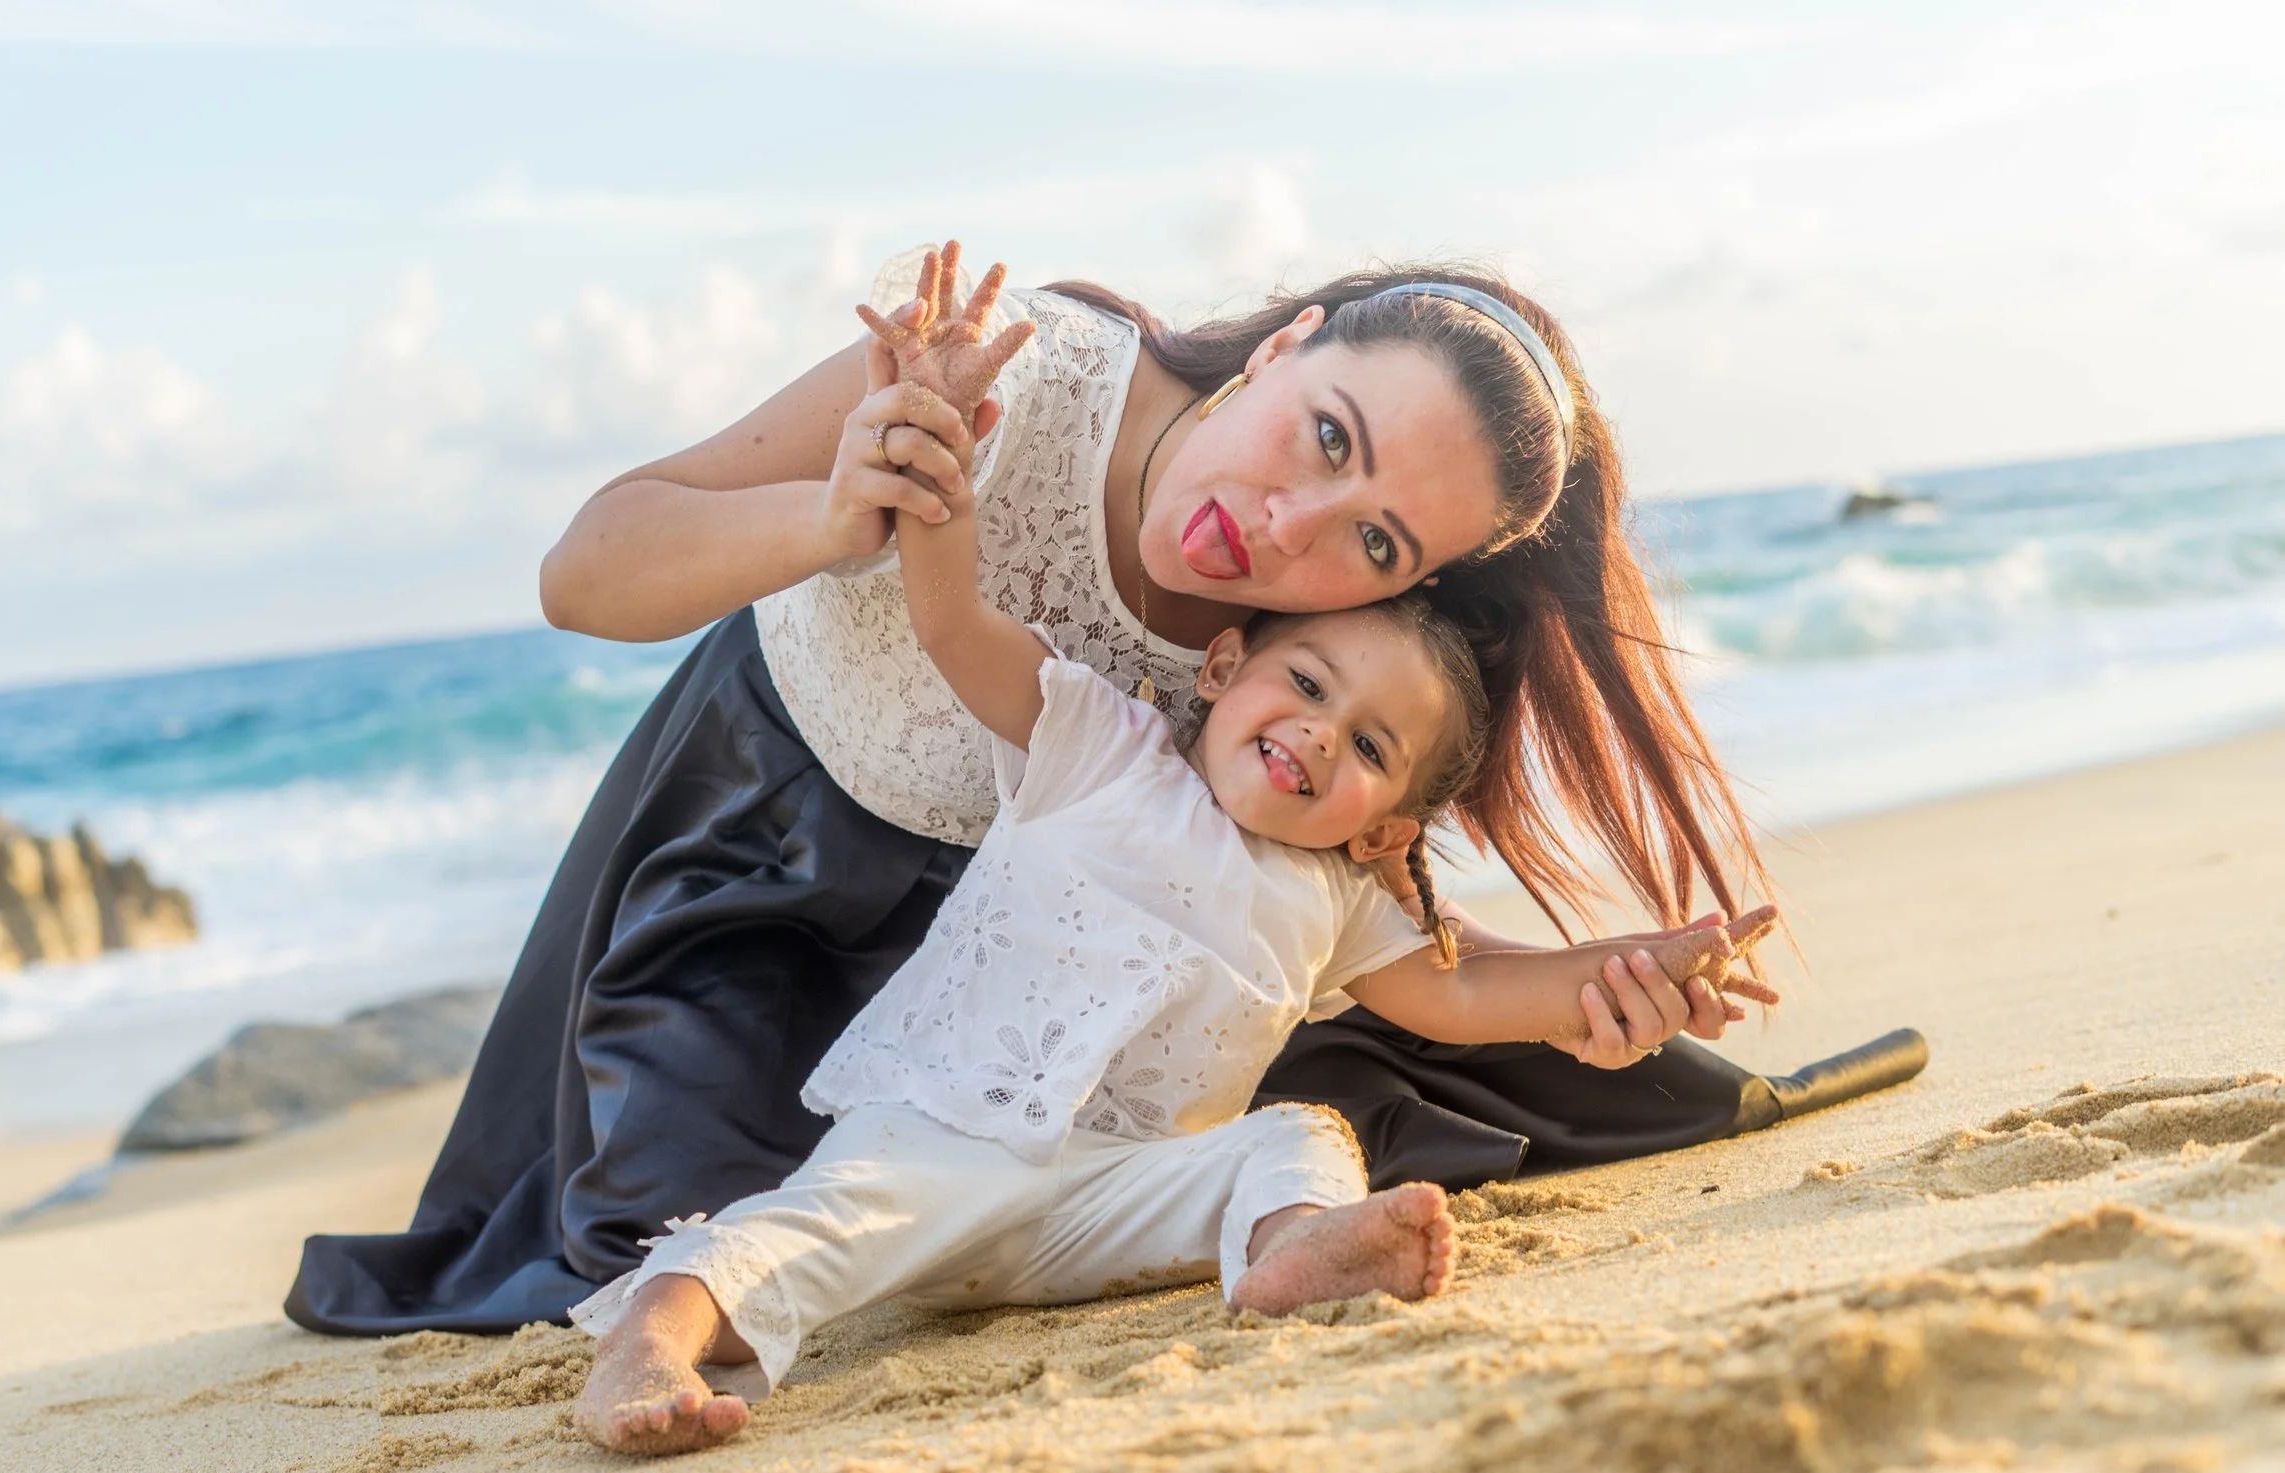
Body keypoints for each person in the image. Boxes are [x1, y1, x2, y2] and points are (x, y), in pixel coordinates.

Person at [285, 243, 1923, 1338]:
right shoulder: (1030, 375)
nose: (1288, 521)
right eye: (1324, 430)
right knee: (670, 1247)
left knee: (1356, 1097)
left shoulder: (1299, 638)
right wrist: (834, 510)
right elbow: (586, 569)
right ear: (1284, 346)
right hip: (756, 869)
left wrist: (1587, 992)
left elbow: (1337, 900)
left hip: (1034, 957)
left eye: (1376, 540)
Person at [570, 416, 1778, 1450]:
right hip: (942, 1136)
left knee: (1295, 1135)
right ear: (1222, 660)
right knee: (800, 1234)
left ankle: (1293, 1257)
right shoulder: (1097, 748)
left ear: (1385, 826)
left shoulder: (1343, 902)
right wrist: (934, 455)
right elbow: (950, 622)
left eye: (1366, 747)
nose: (1316, 735)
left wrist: (1649, 967)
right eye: (1305, 686)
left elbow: (1466, 999)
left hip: (1108, 1201)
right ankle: (652, 1348)